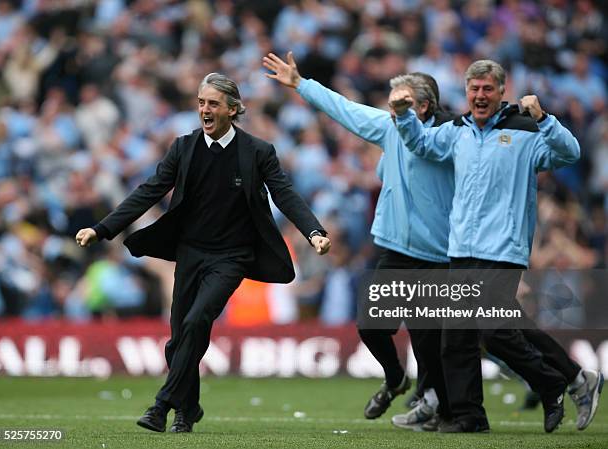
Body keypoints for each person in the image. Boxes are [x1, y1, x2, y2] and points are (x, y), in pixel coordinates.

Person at [76, 72, 331, 433]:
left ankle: (162, 404)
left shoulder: (258, 152)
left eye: (212, 103)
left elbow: (285, 194)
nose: (204, 110)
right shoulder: (183, 147)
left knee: (197, 321)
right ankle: (188, 409)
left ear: (233, 109)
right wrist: (102, 229)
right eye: (200, 103)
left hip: (233, 257)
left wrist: (314, 231)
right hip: (191, 254)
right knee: (178, 340)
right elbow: (149, 191)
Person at [391, 59, 603, 433]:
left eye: (488, 89)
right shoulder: (457, 129)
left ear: (502, 91)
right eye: (474, 89)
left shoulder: (524, 130)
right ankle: (474, 416)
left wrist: (546, 119)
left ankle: (553, 382)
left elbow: (570, 153)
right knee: (457, 337)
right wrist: (405, 115)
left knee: (492, 330)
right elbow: (422, 146)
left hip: (503, 247)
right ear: (467, 91)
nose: (480, 95)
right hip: (461, 248)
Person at [262, 52, 454, 423]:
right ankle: (398, 378)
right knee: (371, 325)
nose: (394, 106)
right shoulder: (389, 126)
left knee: (431, 336)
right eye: (393, 100)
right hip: (398, 248)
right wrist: (302, 84)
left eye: (404, 102)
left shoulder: (446, 139)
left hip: (436, 251)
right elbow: (345, 108)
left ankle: (440, 403)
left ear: (426, 106)